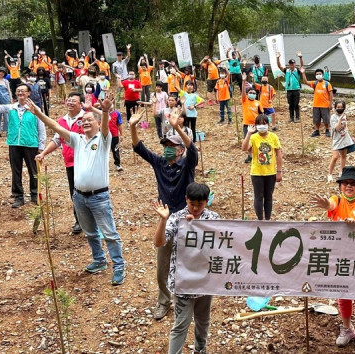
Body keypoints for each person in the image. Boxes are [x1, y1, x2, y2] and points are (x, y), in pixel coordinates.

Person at [30, 93, 126, 285]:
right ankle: (99, 260)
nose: (85, 122)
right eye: (83, 121)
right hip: (79, 197)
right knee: (90, 232)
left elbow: (107, 126)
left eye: (90, 119)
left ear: (98, 123)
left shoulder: (103, 140)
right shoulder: (77, 139)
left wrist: (105, 111)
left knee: (110, 234)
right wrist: (39, 113)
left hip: (99, 197)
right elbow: (56, 127)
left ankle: (119, 267)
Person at [131, 105, 198, 321]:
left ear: (180, 150)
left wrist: (177, 128)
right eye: (165, 145)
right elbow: (139, 148)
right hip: (166, 220)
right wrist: (133, 127)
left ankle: (187, 298)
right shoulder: (160, 163)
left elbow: (193, 150)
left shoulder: (187, 164)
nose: (167, 148)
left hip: (187, 219)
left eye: (172, 146)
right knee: (163, 264)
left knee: (188, 260)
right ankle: (163, 301)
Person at [312, 166, 355, 353]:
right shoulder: (337, 200)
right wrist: (326, 206)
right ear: (340, 185)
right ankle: (347, 328)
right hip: (339, 254)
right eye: (345, 183)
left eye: (353, 183)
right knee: (343, 293)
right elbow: (331, 205)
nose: (349, 186)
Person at [151, 183, 219, 354]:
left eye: (200, 205)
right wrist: (163, 220)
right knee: (181, 324)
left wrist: (198, 226)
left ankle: (200, 349)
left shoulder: (214, 218)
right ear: (186, 199)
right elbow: (159, 242)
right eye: (192, 204)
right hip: (183, 282)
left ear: (207, 202)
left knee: (203, 321)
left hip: (205, 282)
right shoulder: (176, 219)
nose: (195, 208)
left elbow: (223, 243)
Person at [0, 82, 47, 208]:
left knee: (33, 170)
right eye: (18, 90)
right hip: (14, 143)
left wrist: (41, 146)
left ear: (28, 93)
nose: (20, 93)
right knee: (15, 171)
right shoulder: (11, 107)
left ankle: (35, 194)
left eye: (23, 90)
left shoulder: (35, 109)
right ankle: (18, 196)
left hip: (30, 143)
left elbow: (41, 127)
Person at [36, 92, 88, 234]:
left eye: (74, 101)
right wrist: (43, 153)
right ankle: (79, 221)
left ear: (81, 104)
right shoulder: (62, 121)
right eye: (68, 100)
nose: (70, 103)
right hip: (70, 162)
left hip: (86, 161)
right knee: (75, 192)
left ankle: (92, 221)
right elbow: (57, 140)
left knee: (89, 191)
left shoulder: (87, 118)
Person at [242, 114, 283, 220]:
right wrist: (249, 133)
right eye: (259, 124)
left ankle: (268, 219)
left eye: (264, 124)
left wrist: (279, 171)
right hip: (257, 173)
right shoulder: (253, 137)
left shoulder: (273, 137)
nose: (262, 126)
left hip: (270, 172)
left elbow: (279, 155)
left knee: (269, 196)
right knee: (259, 196)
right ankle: (260, 219)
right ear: (256, 125)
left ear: (268, 124)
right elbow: (244, 148)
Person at [300, 66, 333, 138]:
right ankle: (317, 131)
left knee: (326, 119)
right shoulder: (314, 83)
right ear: (315, 75)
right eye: (317, 74)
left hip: (325, 105)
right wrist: (303, 73)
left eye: (320, 74)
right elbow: (305, 82)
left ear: (323, 75)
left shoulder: (327, 84)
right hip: (316, 104)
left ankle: (327, 130)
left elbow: (331, 94)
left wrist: (330, 104)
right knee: (316, 119)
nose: (318, 75)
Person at [328, 101, 355, 182]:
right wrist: (340, 120)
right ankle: (330, 174)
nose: (340, 109)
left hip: (344, 138)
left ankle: (341, 172)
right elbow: (336, 128)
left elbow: (345, 126)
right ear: (335, 108)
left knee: (343, 155)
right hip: (337, 139)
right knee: (335, 156)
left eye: (341, 107)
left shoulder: (344, 116)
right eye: (338, 107)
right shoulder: (333, 117)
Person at [241, 72, 264, 163]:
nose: (252, 94)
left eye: (254, 93)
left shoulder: (258, 103)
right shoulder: (245, 100)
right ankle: (249, 156)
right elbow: (243, 92)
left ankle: (259, 155)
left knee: (258, 140)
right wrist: (243, 81)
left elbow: (262, 114)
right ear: (247, 93)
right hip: (247, 125)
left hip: (256, 125)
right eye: (250, 92)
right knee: (248, 140)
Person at [276, 52, 301, 123]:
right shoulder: (286, 71)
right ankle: (291, 117)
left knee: (296, 104)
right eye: (290, 64)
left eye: (292, 64)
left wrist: (300, 58)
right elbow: (279, 66)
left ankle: (297, 117)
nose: (291, 65)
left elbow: (301, 66)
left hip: (296, 89)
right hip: (289, 90)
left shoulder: (297, 71)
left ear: (294, 64)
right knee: (290, 104)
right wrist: (278, 58)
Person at [107, 103, 124, 171]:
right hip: (104, 135)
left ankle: (117, 164)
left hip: (114, 135)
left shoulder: (117, 113)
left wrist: (121, 134)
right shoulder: (102, 112)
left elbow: (119, 124)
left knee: (115, 149)